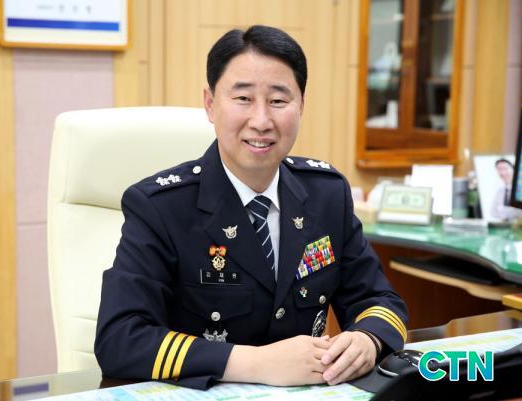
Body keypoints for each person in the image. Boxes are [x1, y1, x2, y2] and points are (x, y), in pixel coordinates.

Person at [94, 25, 408, 390]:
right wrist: (256, 363)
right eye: (243, 98)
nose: (261, 121)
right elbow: (120, 338)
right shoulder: (160, 207)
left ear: (301, 105)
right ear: (210, 104)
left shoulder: (327, 194)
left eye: (278, 101)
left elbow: (380, 299)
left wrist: (367, 340)